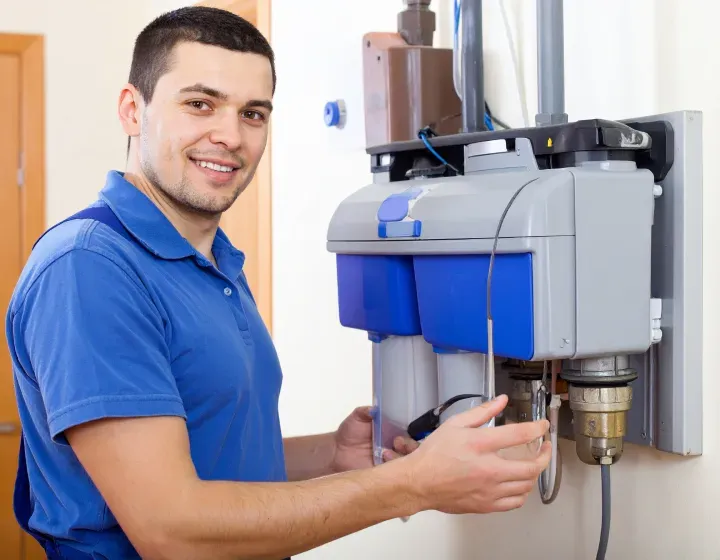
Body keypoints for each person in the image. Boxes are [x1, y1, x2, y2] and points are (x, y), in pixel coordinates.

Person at [5, 6, 552, 560]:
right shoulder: (91, 268)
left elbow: (209, 459)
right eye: (200, 104)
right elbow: (173, 530)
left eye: (253, 113)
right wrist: (413, 485)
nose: (229, 136)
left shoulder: (212, 261)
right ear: (132, 109)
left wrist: (330, 457)